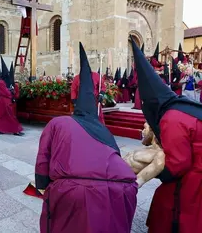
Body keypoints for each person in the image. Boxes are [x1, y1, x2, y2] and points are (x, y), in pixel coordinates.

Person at [35, 42, 137, 233]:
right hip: (124, 190)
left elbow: (43, 160)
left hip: (73, 188)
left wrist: (42, 187)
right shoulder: (105, 132)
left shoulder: (58, 123)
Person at [130, 38, 202, 233]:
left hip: (195, 176)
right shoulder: (181, 105)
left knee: (169, 204)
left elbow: (179, 164)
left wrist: (155, 170)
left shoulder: (170, 118)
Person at [0, 57, 23, 135]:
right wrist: (10, 91)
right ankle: (15, 130)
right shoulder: (1, 82)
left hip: (5, 101)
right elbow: (6, 92)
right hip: (4, 101)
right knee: (9, 116)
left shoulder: (3, 81)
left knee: (3, 116)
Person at [70, 60, 106, 124]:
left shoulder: (96, 75)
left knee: (98, 118)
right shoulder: (77, 78)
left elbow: (103, 86)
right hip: (81, 102)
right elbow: (73, 89)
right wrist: (74, 100)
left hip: (94, 101)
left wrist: (101, 94)